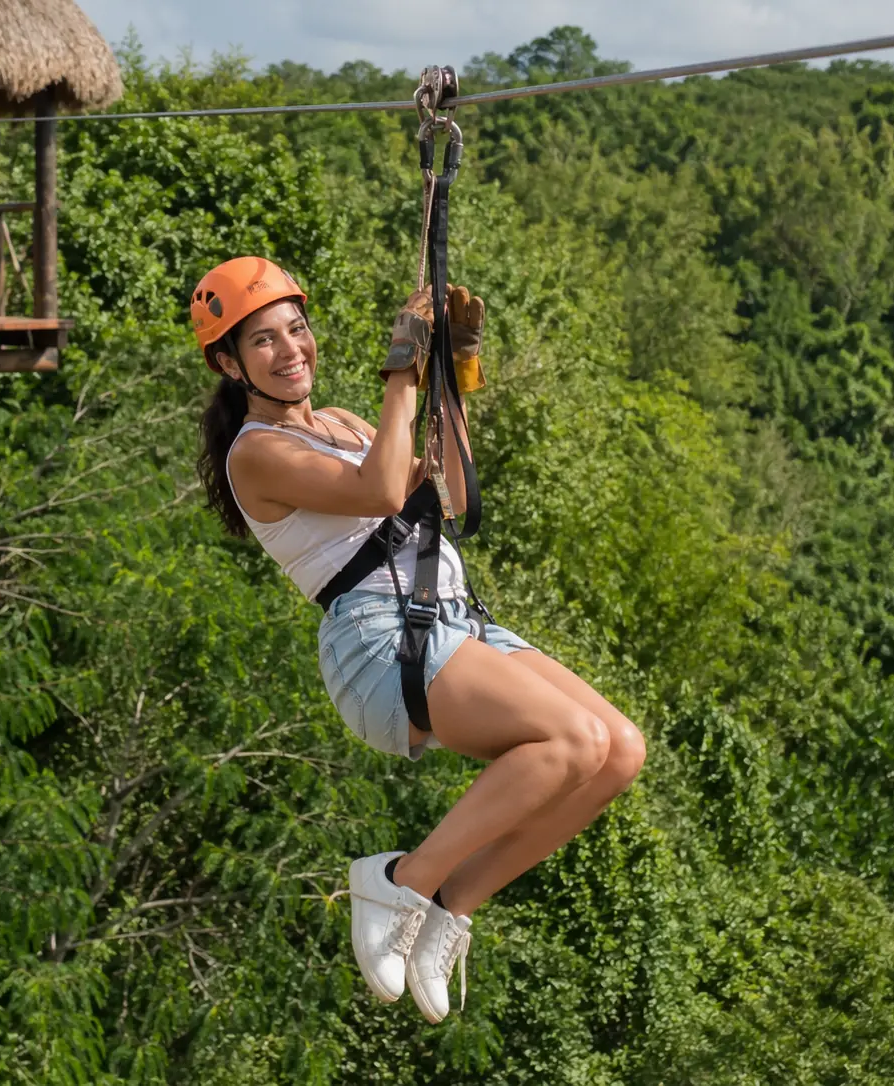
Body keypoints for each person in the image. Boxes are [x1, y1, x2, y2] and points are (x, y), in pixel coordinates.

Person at [193, 257, 646, 1024]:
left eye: (295, 330)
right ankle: (400, 878)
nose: (290, 350)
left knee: (617, 750)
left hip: (447, 617)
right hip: (380, 643)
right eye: (262, 342)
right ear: (229, 365)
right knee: (566, 741)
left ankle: (450, 905)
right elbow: (376, 490)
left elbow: (451, 490)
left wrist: (451, 375)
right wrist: (404, 362)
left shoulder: (340, 423)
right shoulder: (256, 452)